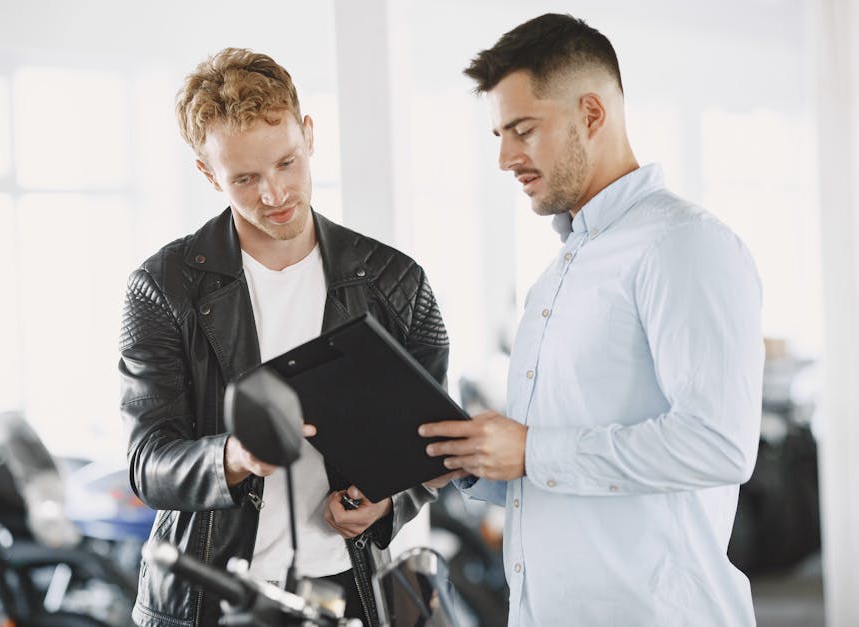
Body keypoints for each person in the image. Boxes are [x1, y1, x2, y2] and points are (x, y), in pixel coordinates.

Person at [419, 13, 764, 627]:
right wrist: (478, 457)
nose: (504, 158)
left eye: (522, 130)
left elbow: (719, 444)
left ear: (592, 115)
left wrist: (532, 451)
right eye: (499, 134)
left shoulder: (683, 245)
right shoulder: (557, 274)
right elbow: (557, 469)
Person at [118, 48, 449, 627]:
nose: (274, 195)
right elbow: (147, 464)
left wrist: (389, 500)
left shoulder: (397, 281)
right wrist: (235, 456)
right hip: (209, 598)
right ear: (206, 172)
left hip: (344, 591)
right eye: (244, 178)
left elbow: (434, 442)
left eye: (287, 163)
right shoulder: (161, 287)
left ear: (309, 135)